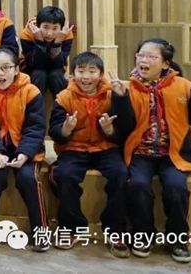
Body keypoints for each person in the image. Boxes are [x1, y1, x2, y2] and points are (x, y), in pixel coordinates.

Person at [110, 38, 191, 263]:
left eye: (151, 56)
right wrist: (120, 99)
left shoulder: (183, 85)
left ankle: (177, 239)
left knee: (176, 187)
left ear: (166, 63)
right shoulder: (128, 87)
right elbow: (124, 127)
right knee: (138, 185)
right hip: (141, 153)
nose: (144, 60)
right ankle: (143, 235)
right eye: (141, 55)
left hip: (173, 153)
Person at [48, 52, 129, 257]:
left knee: (120, 173)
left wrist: (109, 130)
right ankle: (72, 228)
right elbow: (54, 132)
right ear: (72, 74)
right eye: (81, 71)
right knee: (65, 175)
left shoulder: (111, 95)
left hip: (105, 147)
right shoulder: (64, 97)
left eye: (92, 71)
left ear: (100, 74)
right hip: (73, 148)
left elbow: (123, 132)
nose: (86, 76)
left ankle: (114, 230)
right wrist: (66, 128)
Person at [0, 47, 49, 251]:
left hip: (26, 149)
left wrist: (24, 154)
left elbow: (35, 128)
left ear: (16, 69)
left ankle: (41, 231)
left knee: (28, 178)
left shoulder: (31, 91)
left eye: (6, 68)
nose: (0, 73)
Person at [20, 6, 75, 98]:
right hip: (32, 70)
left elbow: (59, 64)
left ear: (61, 28)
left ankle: (61, 105)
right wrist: (40, 41)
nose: (49, 33)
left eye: (55, 28)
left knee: (56, 75)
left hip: (56, 68)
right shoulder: (27, 33)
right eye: (45, 27)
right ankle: (36, 106)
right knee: (39, 74)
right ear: (38, 25)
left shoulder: (66, 34)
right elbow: (33, 64)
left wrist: (57, 42)